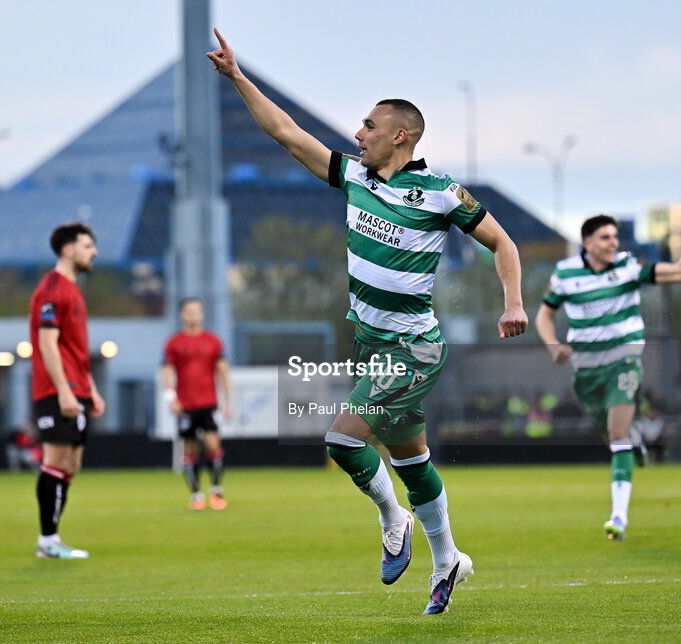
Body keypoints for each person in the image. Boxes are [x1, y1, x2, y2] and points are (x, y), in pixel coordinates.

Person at [208, 30, 528, 614]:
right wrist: (237, 77)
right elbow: (285, 133)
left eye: (368, 127)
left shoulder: (438, 192)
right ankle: (448, 557)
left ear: (399, 136)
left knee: (341, 440)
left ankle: (393, 518)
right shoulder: (355, 177)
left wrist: (512, 302)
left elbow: (502, 242)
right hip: (374, 347)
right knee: (411, 461)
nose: (358, 134)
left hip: (413, 348)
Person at [535, 214, 681, 541]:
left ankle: (618, 517)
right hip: (586, 372)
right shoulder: (566, 273)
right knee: (614, 439)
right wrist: (554, 346)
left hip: (623, 360)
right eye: (605, 238)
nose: (613, 243)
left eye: (614, 237)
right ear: (587, 244)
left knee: (616, 433)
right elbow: (543, 316)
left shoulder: (627, 267)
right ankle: (635, 440)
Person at [29, 222, 105, 559]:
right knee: (56, 459)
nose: (94, 252)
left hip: (78, 389)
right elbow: (47, 343)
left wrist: (92, 389)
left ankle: (52, 538)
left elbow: (74, 349)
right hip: (57, 390)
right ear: (67, 250)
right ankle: (48, 540)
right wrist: (63, 391)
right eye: (88, 246)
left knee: (71, 464)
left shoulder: (73, 290)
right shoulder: (51, 289)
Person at [162, 298, 232, 511]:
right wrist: (170, 397)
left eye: (196, 311)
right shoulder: (174, 343)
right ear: (182, 314)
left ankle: (216, 492)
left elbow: (222, 371)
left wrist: (228, 401)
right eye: (189, 311)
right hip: (186, 405)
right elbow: (167, 370)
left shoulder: (213, 341)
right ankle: (196, 495)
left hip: (208, 403)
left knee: (213, 444)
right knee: (190, 448)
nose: (193, 314)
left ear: (201, 314)